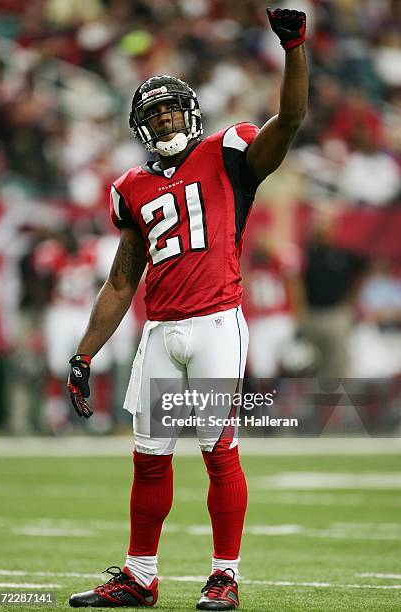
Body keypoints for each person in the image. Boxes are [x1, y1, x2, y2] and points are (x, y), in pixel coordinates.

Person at [67, 8, 308, 610]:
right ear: (139, 129)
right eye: (153, 115)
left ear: (192, 112)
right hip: (160, 331)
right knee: (148, 458)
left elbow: (293, 117)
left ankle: (224, 575)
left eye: (172, 109)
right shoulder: (132, 187)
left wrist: (295, 49)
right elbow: (123, 279)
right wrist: (84, 352)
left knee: (216, 450)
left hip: (215, 323)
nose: (165, 120)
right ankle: (140, 576)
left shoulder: (228, 154)